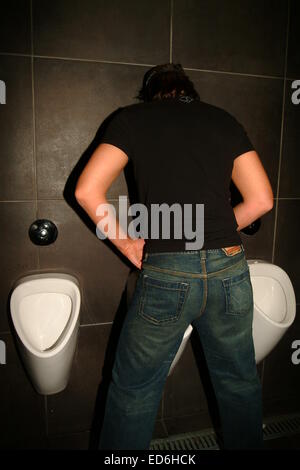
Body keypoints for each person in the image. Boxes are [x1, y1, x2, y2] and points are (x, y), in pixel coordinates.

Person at [75, 63, 274, 450]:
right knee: (239, 384)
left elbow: (86, 191)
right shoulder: (223, 120)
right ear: (189, 91)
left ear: (150, 94)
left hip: (168, 271)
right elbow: (262, 199)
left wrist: (129, 244)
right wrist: (213, 229)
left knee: (134, 390)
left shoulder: (131, 119)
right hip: (230, 269)